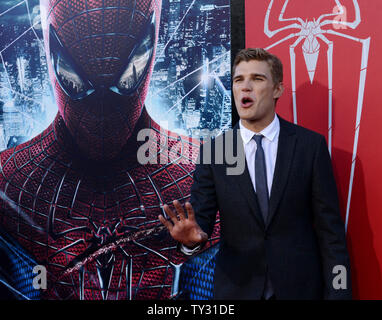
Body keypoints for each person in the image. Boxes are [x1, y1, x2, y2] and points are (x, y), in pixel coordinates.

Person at [0, 0, 219, 300]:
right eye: (75, 79)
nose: (101, 109)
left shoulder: (201, 169)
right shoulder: (9, 178)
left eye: (129, 73)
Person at [159, 48, 352, 300]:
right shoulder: (215, 151)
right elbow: (200, 224)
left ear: (277, 90)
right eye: (239, 80)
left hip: (301, 291)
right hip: (236, 292)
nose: (245, 87)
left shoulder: (309, 146)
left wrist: (339, 294)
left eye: (257, 79)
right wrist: (190, 242)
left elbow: (331, 235)